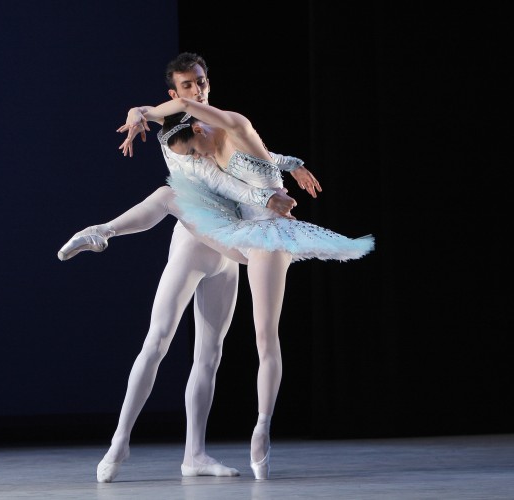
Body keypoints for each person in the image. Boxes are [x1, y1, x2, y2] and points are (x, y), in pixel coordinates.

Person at [58, 52, 321, 482]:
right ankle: (119, 443)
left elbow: (256, 156)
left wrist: (293, 164)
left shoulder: (218, 125)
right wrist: (138, 111)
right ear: (174, 94)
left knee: (210, 354)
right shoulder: (176, 137)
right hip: (194, 240)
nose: (196, 91)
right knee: (157, 339)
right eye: (187, 87)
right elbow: (222, 181)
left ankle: (194, 455)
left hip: (229, 242)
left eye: (200, 82)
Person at [115, 96, 374, 480]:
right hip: (238, 235)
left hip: (270, 231)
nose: (196, 158)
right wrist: (296, 164)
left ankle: (261, 428)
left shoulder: (234, 128)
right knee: (170, 201)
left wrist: (149, 112)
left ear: (200, 127)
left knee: (265, 337)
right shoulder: (207, 152)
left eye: (195, 149)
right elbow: (268, 160)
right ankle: (106, 231)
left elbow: (254, 156)